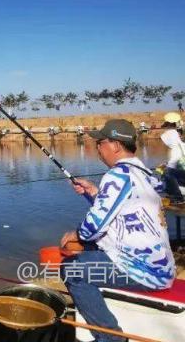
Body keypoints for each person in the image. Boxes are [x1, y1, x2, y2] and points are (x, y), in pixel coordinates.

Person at [60, 119, 175, 342]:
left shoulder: (117, 176)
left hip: (143, 270)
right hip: (160, 266)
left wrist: (76, 234)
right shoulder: (144, 173)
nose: (97, 149)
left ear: (115, 145)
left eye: (100, 143)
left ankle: (110, 338)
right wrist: (94, 192)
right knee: (89, 249)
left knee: (72, 270)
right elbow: (121, 212)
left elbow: (93, 227)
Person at [160, 112, 185, 205]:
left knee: (166, 173)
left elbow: (171, 168)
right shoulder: (182, 145)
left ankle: (178, 198)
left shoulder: (175, 149)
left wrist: (165, 167)